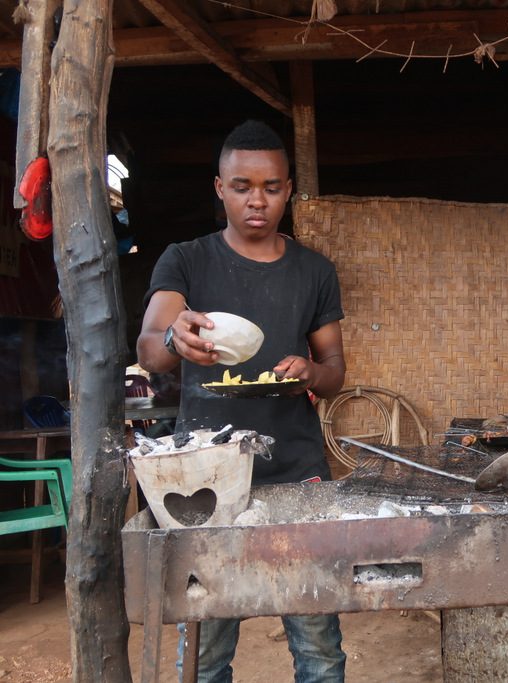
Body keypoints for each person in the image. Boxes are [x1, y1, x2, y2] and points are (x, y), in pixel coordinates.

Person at [136, 120, 347, 682]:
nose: (258, 200)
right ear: (219, 188)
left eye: (272, 187)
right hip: (204, 477)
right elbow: (151, 350)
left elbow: (336, 374)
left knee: (319, 644)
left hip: (297, 470)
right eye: (242, 186)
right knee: (205, 650)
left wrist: (311, 371)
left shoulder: (314, 270)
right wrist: (175, 340)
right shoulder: (186, 260)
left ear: (288, 190)